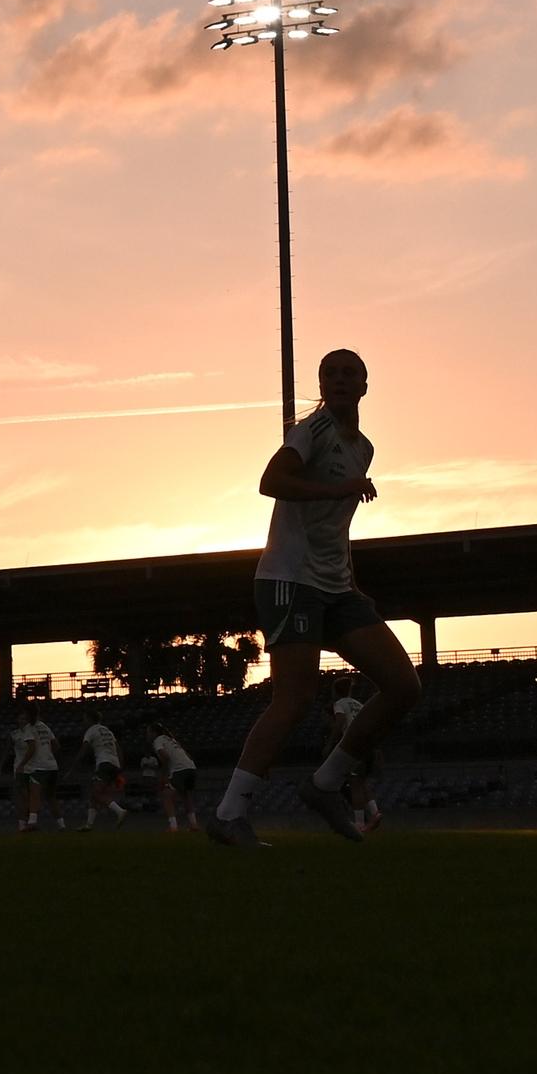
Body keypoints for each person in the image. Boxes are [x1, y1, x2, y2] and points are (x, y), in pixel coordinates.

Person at [202, 349, 418, 847]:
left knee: (404, 686)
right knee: (294, 698)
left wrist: (348, 577)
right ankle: (229, 813)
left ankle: (324, 784)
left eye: (349, 374)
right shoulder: (311, 431)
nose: (339, 380)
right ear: (321, 385)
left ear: (365, 386)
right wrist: (338, 488)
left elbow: (333, 528)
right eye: (330, 374)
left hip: (336, 586)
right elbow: (270, 482)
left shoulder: (363, 448)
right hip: (289, 580)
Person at [326, 683, 380, 833]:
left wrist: (330, 743)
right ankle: (375, 813)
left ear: (336, 692)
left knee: (354, 785)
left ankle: (359, 824)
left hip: (354, 744)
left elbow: (340, 721)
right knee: (362, 782)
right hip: (367, 743)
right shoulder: (358, 704)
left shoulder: (339, 704)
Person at [7, 705, 60, 832]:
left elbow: (34, 748)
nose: (23, 720)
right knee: (24, 797)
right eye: (21, 718)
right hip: (23, 768)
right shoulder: (15, 734)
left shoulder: (32, 729)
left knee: (34, 796)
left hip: (34, 767)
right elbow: (7, 751)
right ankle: (23, 824)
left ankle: (31, 821)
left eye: (25, 718)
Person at [78, 715, 125, 828]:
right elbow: (118, 748)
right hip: (114, 764)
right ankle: (89, 824)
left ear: (90, 720)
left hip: (104, 764)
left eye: (84, 719)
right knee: (95, 794)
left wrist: (75, 764)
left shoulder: (91, 730)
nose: (83, 722)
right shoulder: (107, 731)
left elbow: (84, 748)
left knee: (96, 793)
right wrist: (120, 766)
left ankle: (120, 811)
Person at [151, 725, 199, 831]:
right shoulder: (172, 740)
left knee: (166, 795)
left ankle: (173, 827)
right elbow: (188, 755)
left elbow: (166, 757)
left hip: (179, 770)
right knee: (186, 796)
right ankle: (194, 825)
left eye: (148, 732)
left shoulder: (158, 740)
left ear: (154, 733)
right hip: (191, 767)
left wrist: (163, 776)